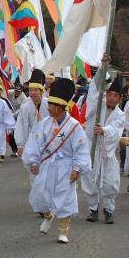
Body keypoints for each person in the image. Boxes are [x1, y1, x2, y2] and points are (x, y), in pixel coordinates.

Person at [22, 78, 91, 244]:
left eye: (51, 105)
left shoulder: (74, 126)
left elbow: (81, 149)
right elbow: (35, 143)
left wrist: (77, 168)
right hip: (47, 165)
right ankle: (48, 214)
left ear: (59, 107)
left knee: (66, 198)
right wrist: (33, 162)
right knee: (40, 196)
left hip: (66, 167)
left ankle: (63, 231)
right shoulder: (44, 124)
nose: (49, 108)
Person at [81, 65, 125, 225]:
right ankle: (93, 209)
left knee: (110, 182)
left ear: (120, 98)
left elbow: (116, 130)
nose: (112, 98)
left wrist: (104, 130)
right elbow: (93, 88)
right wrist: (102, 68)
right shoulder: (97, 105)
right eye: (110, 94)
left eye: (115, 95)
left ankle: (108, 210)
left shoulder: (120, 115)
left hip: (107, 153)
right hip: (92, 149)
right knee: (90, 179)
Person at [14, 69, 49, 166]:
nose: (33, 93)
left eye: (36, 90)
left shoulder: (49, 104)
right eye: (30, 90)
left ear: (41, 91)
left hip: (48, 143)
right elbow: (20, 125)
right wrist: (20, 145)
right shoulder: (25, 107)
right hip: (31, 143)